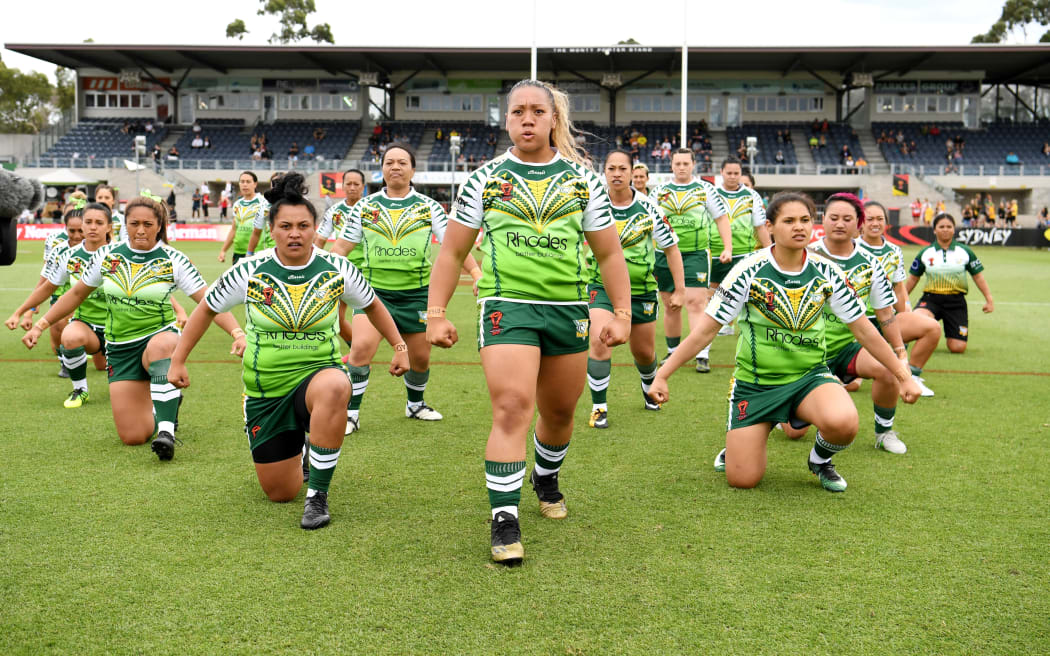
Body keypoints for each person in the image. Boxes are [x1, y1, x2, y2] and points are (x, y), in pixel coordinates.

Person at [426, 79, 631, 565]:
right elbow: (453, 250)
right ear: (507, 120)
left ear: (553, 120)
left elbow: (608, 252)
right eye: (517, 111)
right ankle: (504, 516)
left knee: (559, 413)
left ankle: (547, 477)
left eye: (537, 111)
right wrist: (435, 313)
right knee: (513, 405)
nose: (527, 119)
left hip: (567, 311)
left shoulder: (583, 180)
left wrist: (621, 313)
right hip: (507, 305)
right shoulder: (485, 178)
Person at [168, 173, 408, 529]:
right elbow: (206, 309)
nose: (294, 233)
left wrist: (399, 346)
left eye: (303, 226)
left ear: (315, 229)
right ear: (272, 229)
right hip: (266, 391)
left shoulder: (337, 267)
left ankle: (319, 496)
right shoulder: (249, 270)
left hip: (317, 376)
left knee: (336, 386)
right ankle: (304, 446)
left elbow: (372, 305)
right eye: (285, 226)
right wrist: (178, 359)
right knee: (280, 492)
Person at [648, 192, 921, 492]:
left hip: (809, 379)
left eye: (805, 220)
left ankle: (819, 460)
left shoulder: (827, 271)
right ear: (770, 227)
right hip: (757, 384)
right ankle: (741, 442)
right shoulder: (747, 270)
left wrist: (902, 374)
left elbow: (866, 331)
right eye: (788, 221)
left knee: (844, 422)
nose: (799, 227)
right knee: (743, 480)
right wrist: (662, 374)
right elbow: (705, 331)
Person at [20, 194, 245, 460]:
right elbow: (76, 294)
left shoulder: (174, 259)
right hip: (119, 348)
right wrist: (41, 324)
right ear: (123, 225)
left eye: (148, 224)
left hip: (159, 339)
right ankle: (164, 400)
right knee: (133, 436)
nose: (140, 230)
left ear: (159, 226)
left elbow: (210, 301)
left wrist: (237, 332)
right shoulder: (106, 255)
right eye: (134, 223)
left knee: (164, 344)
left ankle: (166, 431)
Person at [332, 144, 481, 433]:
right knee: (361, 349)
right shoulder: (366, 207)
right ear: (382, 169)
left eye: (402, 162)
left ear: (413, 169)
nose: (395, 167)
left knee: (420, 359)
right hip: (374, 295)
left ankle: (415, 405)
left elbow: (454, 246)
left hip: (417, 296)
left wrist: (475, 272)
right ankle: (351, 414)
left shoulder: (429, 207)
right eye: (389, 162)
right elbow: (341, 247)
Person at [776, 193, 912, 454]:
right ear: (822, 221)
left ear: (858, 224)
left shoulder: (870, 264)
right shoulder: (803, 255)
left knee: (887, 369)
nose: (840, 223)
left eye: (847, 219)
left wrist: (900, 354)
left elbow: (886, 314)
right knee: (795, 433)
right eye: (833, 217)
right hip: (806, 352)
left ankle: (884, 432)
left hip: (847, 347)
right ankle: (799, 407)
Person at [586, 149, 684, 428]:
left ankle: (648, 388)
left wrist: (679, 290)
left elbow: (671, 248)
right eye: (611, 169)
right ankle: (599, 407)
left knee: (643, 353)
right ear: (604, 173)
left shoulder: (649, 207)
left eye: (622, 169)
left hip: (641, 291)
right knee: (599, 339)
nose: (616, 174)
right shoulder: (592, 205)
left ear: (632, 173)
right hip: (601, 287)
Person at [6, 202, 113, 407]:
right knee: (69, 336)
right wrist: (20, 312)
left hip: (118, 328)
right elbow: (47, 288)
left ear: (109, 227)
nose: (92, 227)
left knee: (107, 373)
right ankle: (80, 390)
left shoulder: (119, 255)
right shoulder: (69, 257)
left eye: (99, 223)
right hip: (87, 325)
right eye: (88, 222)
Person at [649, 148, 731, 372]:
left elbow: (721, 218)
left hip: (696, 253)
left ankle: (701, 353)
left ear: (693, 165)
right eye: (678, 163)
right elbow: (647, 221)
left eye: (686, 163)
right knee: (671, 305)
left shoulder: (705, 189)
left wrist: (727, 247)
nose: (682, 167)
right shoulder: (659, 191)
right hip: (664, 254)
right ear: (671, 165)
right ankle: (673, 352)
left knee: (696, 301)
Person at [857, 200, 940, 396]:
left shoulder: (894, 251)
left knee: (932, 327)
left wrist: (906, 313)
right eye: (870, 219)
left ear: (886, 222)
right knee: (853, 385)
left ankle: (914, 377)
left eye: (880, 219)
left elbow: (899, 287)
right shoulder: (852, 249)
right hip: (857, 324)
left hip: (887, 320)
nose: (875, 223)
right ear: (861, 222)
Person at [906, 213, 994, 354]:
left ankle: (942, 333)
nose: (945, 229)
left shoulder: (965, 252)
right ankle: (929, 335)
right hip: (931, 300)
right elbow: (913, 279)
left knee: (957, 347)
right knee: (917, 320)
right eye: (941, 226)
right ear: (935, 230)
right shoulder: (925, 252)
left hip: (956, 302)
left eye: (949, 226)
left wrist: (989, 299)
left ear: (954, 229)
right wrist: (900, 301)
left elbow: (978, 277)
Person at [709, 157, 772, 338]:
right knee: (713, 291)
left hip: (744, 252)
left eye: (736, 173)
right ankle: (720, 325)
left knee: (747, 293)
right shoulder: (711, 194)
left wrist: (770, 252)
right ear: (721, 173)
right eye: (729, 173)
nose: (732, 176)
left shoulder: (751, 196)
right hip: (716, 251)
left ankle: (749, 325)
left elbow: (760, 227)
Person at [231, 172, 276, 262]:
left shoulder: (264, 202)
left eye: (248, 182)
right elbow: (233, 229)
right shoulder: (237, 204)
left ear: (255, 184)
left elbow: (258, 232)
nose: (245, 185)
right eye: (242, 181)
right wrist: (223, 250)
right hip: (239, 251)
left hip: (259, 251)